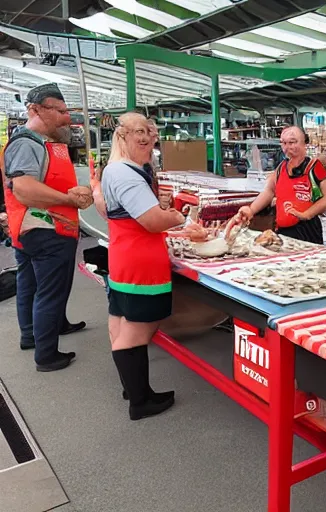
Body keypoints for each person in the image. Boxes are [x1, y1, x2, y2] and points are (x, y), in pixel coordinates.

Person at [0, 83, 93, 372]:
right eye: (60, 111)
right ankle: (47, 355)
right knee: (50, 290)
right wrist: (68, 199)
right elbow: (24, 189)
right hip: (47, 229)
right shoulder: (27, 143)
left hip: (30, 229)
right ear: (36, 110)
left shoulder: (41, 142)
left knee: (30, 284)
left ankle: (34, 335)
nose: (67, 119)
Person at [100, 112, 185, 421]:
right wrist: (177, 217)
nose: (148, 137)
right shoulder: (125, 173)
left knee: (120, 323)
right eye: (139, 132)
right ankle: (140, 401)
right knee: (136, 331)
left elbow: (105, 206)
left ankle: (134, 387)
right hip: (141, 264)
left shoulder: (116, 169)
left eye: (150, 131)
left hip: (125, 258)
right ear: (122, 136)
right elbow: (151, 221)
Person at [237, 126, 326, 244]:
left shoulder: (315, 167)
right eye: (283, 143)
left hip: (307, 231)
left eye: (292, 142)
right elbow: (269, 191)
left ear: (304, 142)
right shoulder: (281, 168)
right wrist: (251, 210)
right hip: (283, 230)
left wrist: (307, 214)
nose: (287, 147)